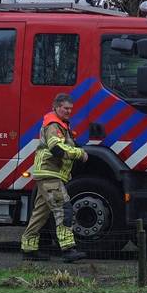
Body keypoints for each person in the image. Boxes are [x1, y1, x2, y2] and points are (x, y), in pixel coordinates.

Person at [22, 93, 89, 263]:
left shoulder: (60, 124)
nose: (68, 111)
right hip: (50, 173)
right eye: (65, 108)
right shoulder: (54, 125)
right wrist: (79, 154)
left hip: (47, 173)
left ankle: (28, 249)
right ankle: (68, 249)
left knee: (39, 214)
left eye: (70, 109)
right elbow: (56, 148)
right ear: (56, 107)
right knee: (63, 209)